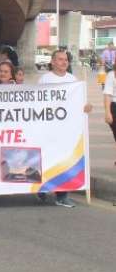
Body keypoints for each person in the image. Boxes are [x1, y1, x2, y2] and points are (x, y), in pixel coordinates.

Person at [39, 49, 92, 207]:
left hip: (67, 129)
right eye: (60, 59)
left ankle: (62, 195)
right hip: (50, 128)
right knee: (48, 158)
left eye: (66, 60)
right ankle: (42, 188)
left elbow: (77, 103)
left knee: (65, 159)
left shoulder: (73, 80)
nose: (63, 62)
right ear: (53, 62)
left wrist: (85, 107)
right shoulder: (45, 80)